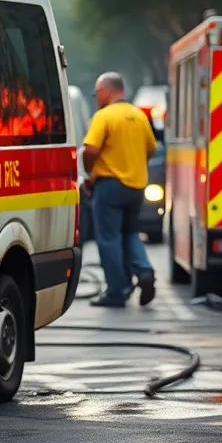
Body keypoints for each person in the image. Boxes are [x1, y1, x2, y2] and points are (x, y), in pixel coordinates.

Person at [83, 72, 158, 307]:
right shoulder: (139, 115)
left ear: (107, 90)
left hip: (110, 186)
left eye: (97, 92)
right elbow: (151, 148)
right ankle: (144, 271)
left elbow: (91, 150)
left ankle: (117, 291)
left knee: (108, 239)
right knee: (130, 233)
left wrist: (89, 174)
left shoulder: (104, 116)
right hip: (136, 187)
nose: (96, 97)